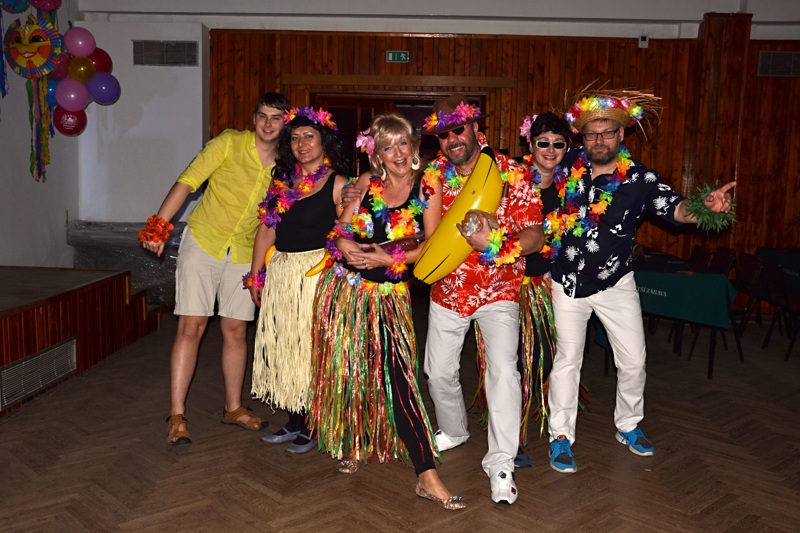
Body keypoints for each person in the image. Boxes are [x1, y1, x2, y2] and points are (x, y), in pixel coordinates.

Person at [545, 88, 736, 474]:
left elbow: (675, 209)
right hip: (567, 282)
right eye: (592, 134)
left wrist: (703, 208)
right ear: (583, 137)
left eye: (607, 133)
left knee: (634, 361)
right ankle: (560, 435)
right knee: (567, 361)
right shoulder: (565, 166)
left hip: (616, 283)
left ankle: (628, 425)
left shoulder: (640, 178)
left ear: (621, 134)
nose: (599, 141)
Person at [308, 113, 465, 510]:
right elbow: (340, 229)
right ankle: (355, 443)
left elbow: (431, 245)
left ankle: (426, 474)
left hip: (388, 296)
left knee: (400, 380)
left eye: (403, 144)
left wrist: (385, 259)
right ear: (376, 153)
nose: (397, 153)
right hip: (345, 291)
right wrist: (343, 244)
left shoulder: (427, 186)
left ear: (413, 148)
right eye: (387, 146)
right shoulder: (365, 182)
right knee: (350, 370)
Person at [139, 92, 289, 446]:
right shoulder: (228, 143)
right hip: (204, 242)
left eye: (276, 118)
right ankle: (177, 416)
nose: (268, 124)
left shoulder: (286, 166)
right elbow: (187, 182)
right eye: (262, 116)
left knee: (236, 331)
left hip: (245, 252)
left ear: (285, 123)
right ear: (254, 119)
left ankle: (233, 407)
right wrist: (159, 227)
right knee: (191, 327)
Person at [421, 95, 544, 505]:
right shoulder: (433, 177)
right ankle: (454, 430)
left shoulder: (511, 172)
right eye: (443, 135)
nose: (452, 139)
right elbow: (427, 236)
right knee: (437, 372)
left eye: (459, 129)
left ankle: (501, 462)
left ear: (476, 128)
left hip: (498, 288)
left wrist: (498, 243)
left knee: (504, 372)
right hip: (449, 290)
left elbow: (535, 234)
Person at [248, 106, 349, 454]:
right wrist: (256, 275)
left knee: (311, 349)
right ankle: (295, 417)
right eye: (295, 138)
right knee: (285, 346)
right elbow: (266, 231)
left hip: (316, 275)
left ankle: (316, 420)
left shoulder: (338, 184)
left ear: (324, 142)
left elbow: (346, 234)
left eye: (309, 136)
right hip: (282, 273)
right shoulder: (282, 184)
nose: (302, 144)